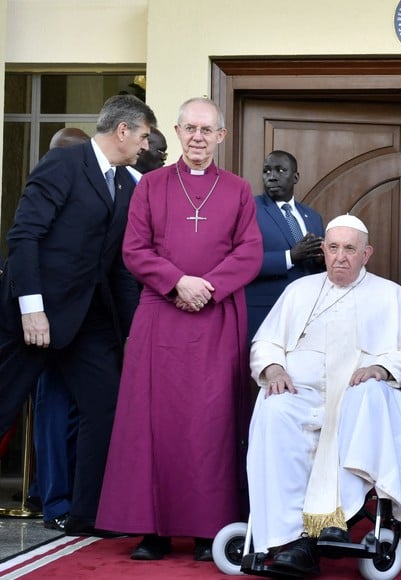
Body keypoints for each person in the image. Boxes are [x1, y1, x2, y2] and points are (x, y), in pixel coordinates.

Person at [95, 97, 264, 562]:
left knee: (212, 426)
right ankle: (154, 529)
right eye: (189, 128)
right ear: (176, 130)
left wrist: (207, 286)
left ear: (221, 137)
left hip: (217, 317)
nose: (197, 137)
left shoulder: (238, 189)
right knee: (153, 424)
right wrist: (177, 283)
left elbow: (249, 252)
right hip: (160, 316)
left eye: (206, 130)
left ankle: (213, 529)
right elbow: (134, 249)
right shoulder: (150, 186)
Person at [0, 95, 156, 536]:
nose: (146, 145)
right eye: (143, 135)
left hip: (88, 317)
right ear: (122, 131)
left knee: (104, 407)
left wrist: (132, 333)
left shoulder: (129, 185)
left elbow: (119, 268)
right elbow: (24, 236)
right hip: (33, 312)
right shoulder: (63, 165)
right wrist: (33, 310)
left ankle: (89, 514)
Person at [246, 214, 401, 576]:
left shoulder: (391, 295)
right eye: (333, 248)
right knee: (273, 409)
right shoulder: (299, 291)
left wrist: (382, 368)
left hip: (357, 394)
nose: (340, 257)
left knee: (363, 400)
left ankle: (335, 520)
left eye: (350, 249)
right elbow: (266, 342)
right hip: (303, 395)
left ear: (367, 254)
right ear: (324, 252)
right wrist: (273, 369)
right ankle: (289, 537)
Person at [34, 127, 90, 532]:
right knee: (54, 413)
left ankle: (79, 497)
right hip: (48, 323)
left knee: (84, 412)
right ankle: (55, 501)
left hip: (91, 322)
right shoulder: (43, 192)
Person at [245, 150, 324, 341]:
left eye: (280, 171)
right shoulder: (249, 210)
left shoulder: (312, 217)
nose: (272, 177)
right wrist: (290, 256)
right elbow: (242, 262)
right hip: (266, 313)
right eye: (267, 171)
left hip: (308, 314)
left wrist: (322, 260)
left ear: (295, 177)